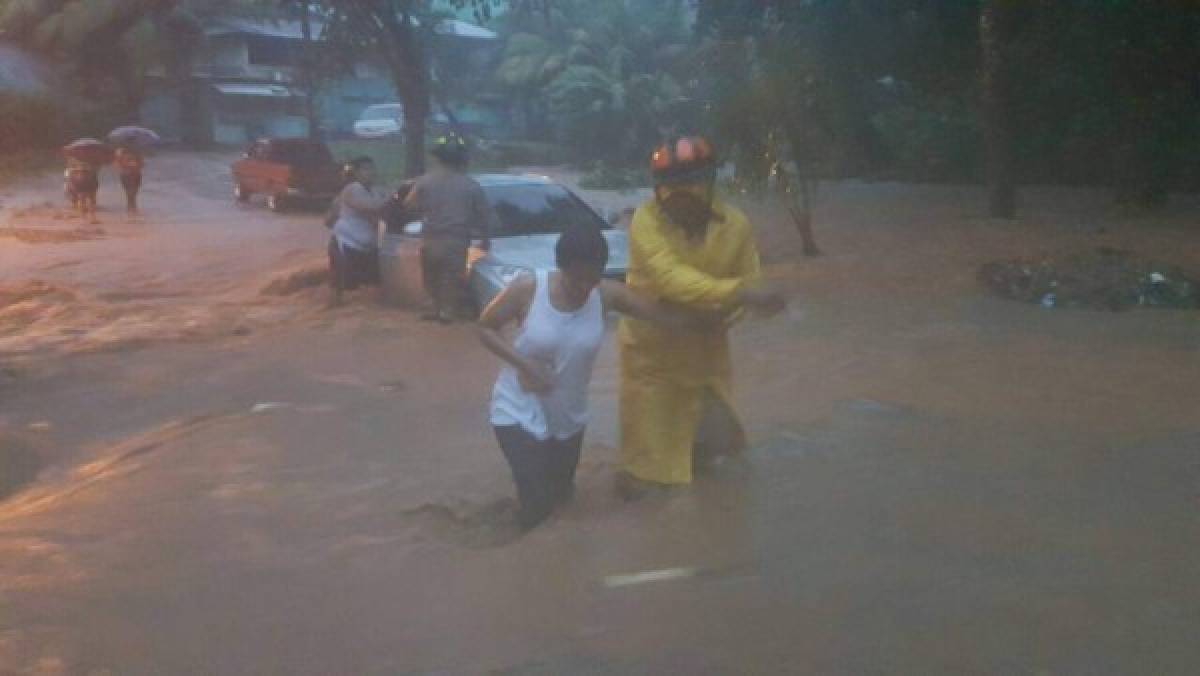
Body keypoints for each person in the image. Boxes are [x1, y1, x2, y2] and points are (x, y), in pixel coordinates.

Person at [479, 223, 719, 531]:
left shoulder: (606, 295)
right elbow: (484, 328)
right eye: (575, 279)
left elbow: (662, 316)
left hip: (568, 416)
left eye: (591, 279)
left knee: (562, 497)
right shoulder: (528, 289)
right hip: (516, 406)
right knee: (538, 503)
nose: (583, 288)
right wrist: (524, 364)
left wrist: (714, 318)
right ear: (560, 267)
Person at [617, 136, 786, 499]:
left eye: (688, 185)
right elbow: (669, 278)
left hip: (707, 354)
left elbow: (750, 281)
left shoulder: (736, 225)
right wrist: (738, 294)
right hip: (653, 359)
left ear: (710, 183)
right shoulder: (646, 221)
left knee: (713, 459)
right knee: (649, 473)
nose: (678, 196)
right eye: (669, 187)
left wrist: (732, 312)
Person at [404, 134, 494, 324]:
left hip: (430, 239)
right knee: (451, 278)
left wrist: (428, 208)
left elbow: (409, 205)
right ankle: (447, 313)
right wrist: (485, 239)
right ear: (462, 159)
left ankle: (437, 309)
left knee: (431, 277)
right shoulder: (470, 185)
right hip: (456, 241)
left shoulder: (424, 181)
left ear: (437, 157)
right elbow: (485, 216)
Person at [328, 156, 390, 305]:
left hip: (368, 245)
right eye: (366, 169)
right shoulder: (351, 189)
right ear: (356, 173)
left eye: (372, 168)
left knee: (370, 284)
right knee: (343, 284)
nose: (371, 172)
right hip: (346, 242)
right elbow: (371, 207)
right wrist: (391, 199)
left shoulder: (377, 190)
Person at [65, 157, 99, 224]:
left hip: (86, 185)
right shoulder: (76, 167)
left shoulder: (74, 166)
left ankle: (87, 217)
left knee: (86, 201)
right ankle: (88, 217)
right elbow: (70, 179)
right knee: (87, 201)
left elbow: (70, 179)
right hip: (84, 185)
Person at [113, 145, 144, 215]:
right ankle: (132, 207)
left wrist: (136, 165)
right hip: (128, 174)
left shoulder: (136, 153)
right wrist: (128, 165)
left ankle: (131, 207)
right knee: (130, 192)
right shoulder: (121, 152)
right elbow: (116, 164)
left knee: (133, 192)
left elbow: (142, 164)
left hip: (132, 174)